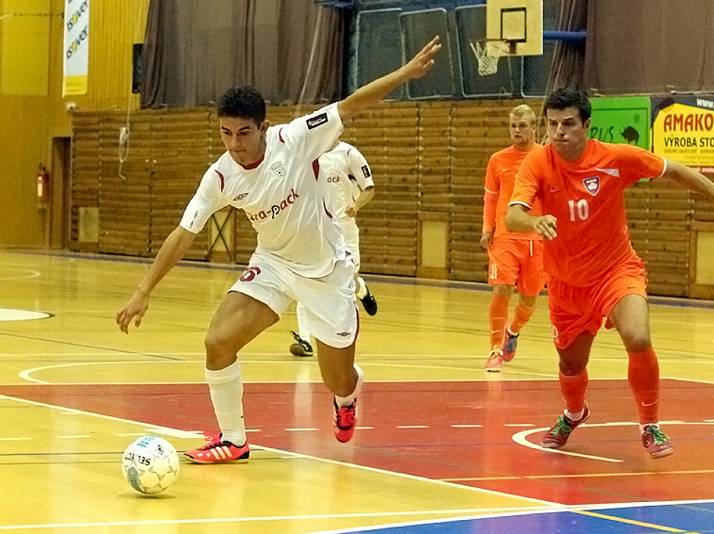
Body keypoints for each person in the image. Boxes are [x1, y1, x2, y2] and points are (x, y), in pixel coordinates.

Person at [116, 36, 442, 463]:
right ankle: (234, 440)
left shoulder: (297, 138)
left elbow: (352, 104)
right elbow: (184, 233)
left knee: (336, 381)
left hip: (326, 272)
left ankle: (347, 398)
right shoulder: (220, 176)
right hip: (273, 265)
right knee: (217, 343)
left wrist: (404, 73)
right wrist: (143, 291)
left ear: (264, 127)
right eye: (226, 133)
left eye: (244, 133)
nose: (234, 143)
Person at [507, 88, 714, 459]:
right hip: (566, 282)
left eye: (568, 124)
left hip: (616, 270)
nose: (558, 132)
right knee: (570, 363)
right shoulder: (537, 163)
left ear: (586, 125)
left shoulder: (614, 158)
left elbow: (674, 169)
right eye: (552, 124)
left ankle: (650, 426)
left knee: (638, 336)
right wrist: (535, 219)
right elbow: (512, 216)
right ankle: (574, 413)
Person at [290, 141, 377, 358]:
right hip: (317, 232)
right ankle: (305, 339)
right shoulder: (308, 153)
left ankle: (361, 289)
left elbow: (369, 188)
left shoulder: (348, 154)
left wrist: (355, 206)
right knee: (307, 281)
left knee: (347, 281)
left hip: (345, 231)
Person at [480, 104, 547, 372]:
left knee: (530, 296)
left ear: (533, 128)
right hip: (506, 234)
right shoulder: (498, 160)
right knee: (501, 287)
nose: (516, 131)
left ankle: (513, 332)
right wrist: (487, 228)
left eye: (522, 126)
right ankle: (495, 348)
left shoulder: (546, 157)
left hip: (538, 237)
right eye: (512, 126)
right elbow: (490, 198)